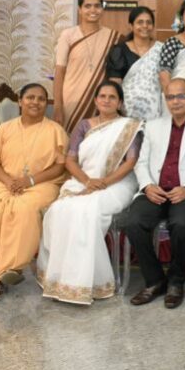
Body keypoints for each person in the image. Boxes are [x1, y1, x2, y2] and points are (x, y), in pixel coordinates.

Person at [38, 81, 143, 305]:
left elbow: (131, 161)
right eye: (102, 96)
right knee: (60, 210)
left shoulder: (130, 126)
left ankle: (87, 283)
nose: (106, 100)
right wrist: (87, 180)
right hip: (83, 180)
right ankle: (60, 279)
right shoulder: (84, 125)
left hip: (118, 183)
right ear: (95, 100)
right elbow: (70, 159)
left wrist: (103, 182)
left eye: (112, 97)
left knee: (88, 209)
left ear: (120, 103)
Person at [0, 83, 68, 300]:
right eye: (30, 97)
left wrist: (30, 180)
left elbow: (60, 167)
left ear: (46, 104)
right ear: (20, 101)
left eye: (41, 99)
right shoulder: (5, 129)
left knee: (23, 208)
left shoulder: (55, 131)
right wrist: (9, 181)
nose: (35, 102)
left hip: (42, 184)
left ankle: (7, 271)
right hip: (6, 182)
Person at [125, 78, 185, 309]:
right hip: (156, 190)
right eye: (170, 97)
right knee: (133, 222)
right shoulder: (153, 126)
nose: (175, 101)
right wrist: (148, 186)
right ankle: (155, 280)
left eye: (180, 96)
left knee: (181, 223)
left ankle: (176, 282)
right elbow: (141, 162)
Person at [53, 0, 123, 133]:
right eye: (87, 6)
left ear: (102, 9)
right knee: (71, 140)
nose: (93, 10)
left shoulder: (114, 37)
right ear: (79, 10)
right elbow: (59, 72)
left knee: (96, 139)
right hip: (71, 100)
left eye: (97, 6)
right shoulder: (68, 35)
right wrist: (58, 106)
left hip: (100, 100)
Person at [107, 6, 163, 121]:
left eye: (149, 22)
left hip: (156, 113)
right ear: (131, 26)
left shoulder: (162, 49)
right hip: (126, 113)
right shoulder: (119, 51)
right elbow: (114, 87)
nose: (145, 26)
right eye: (140, 22)